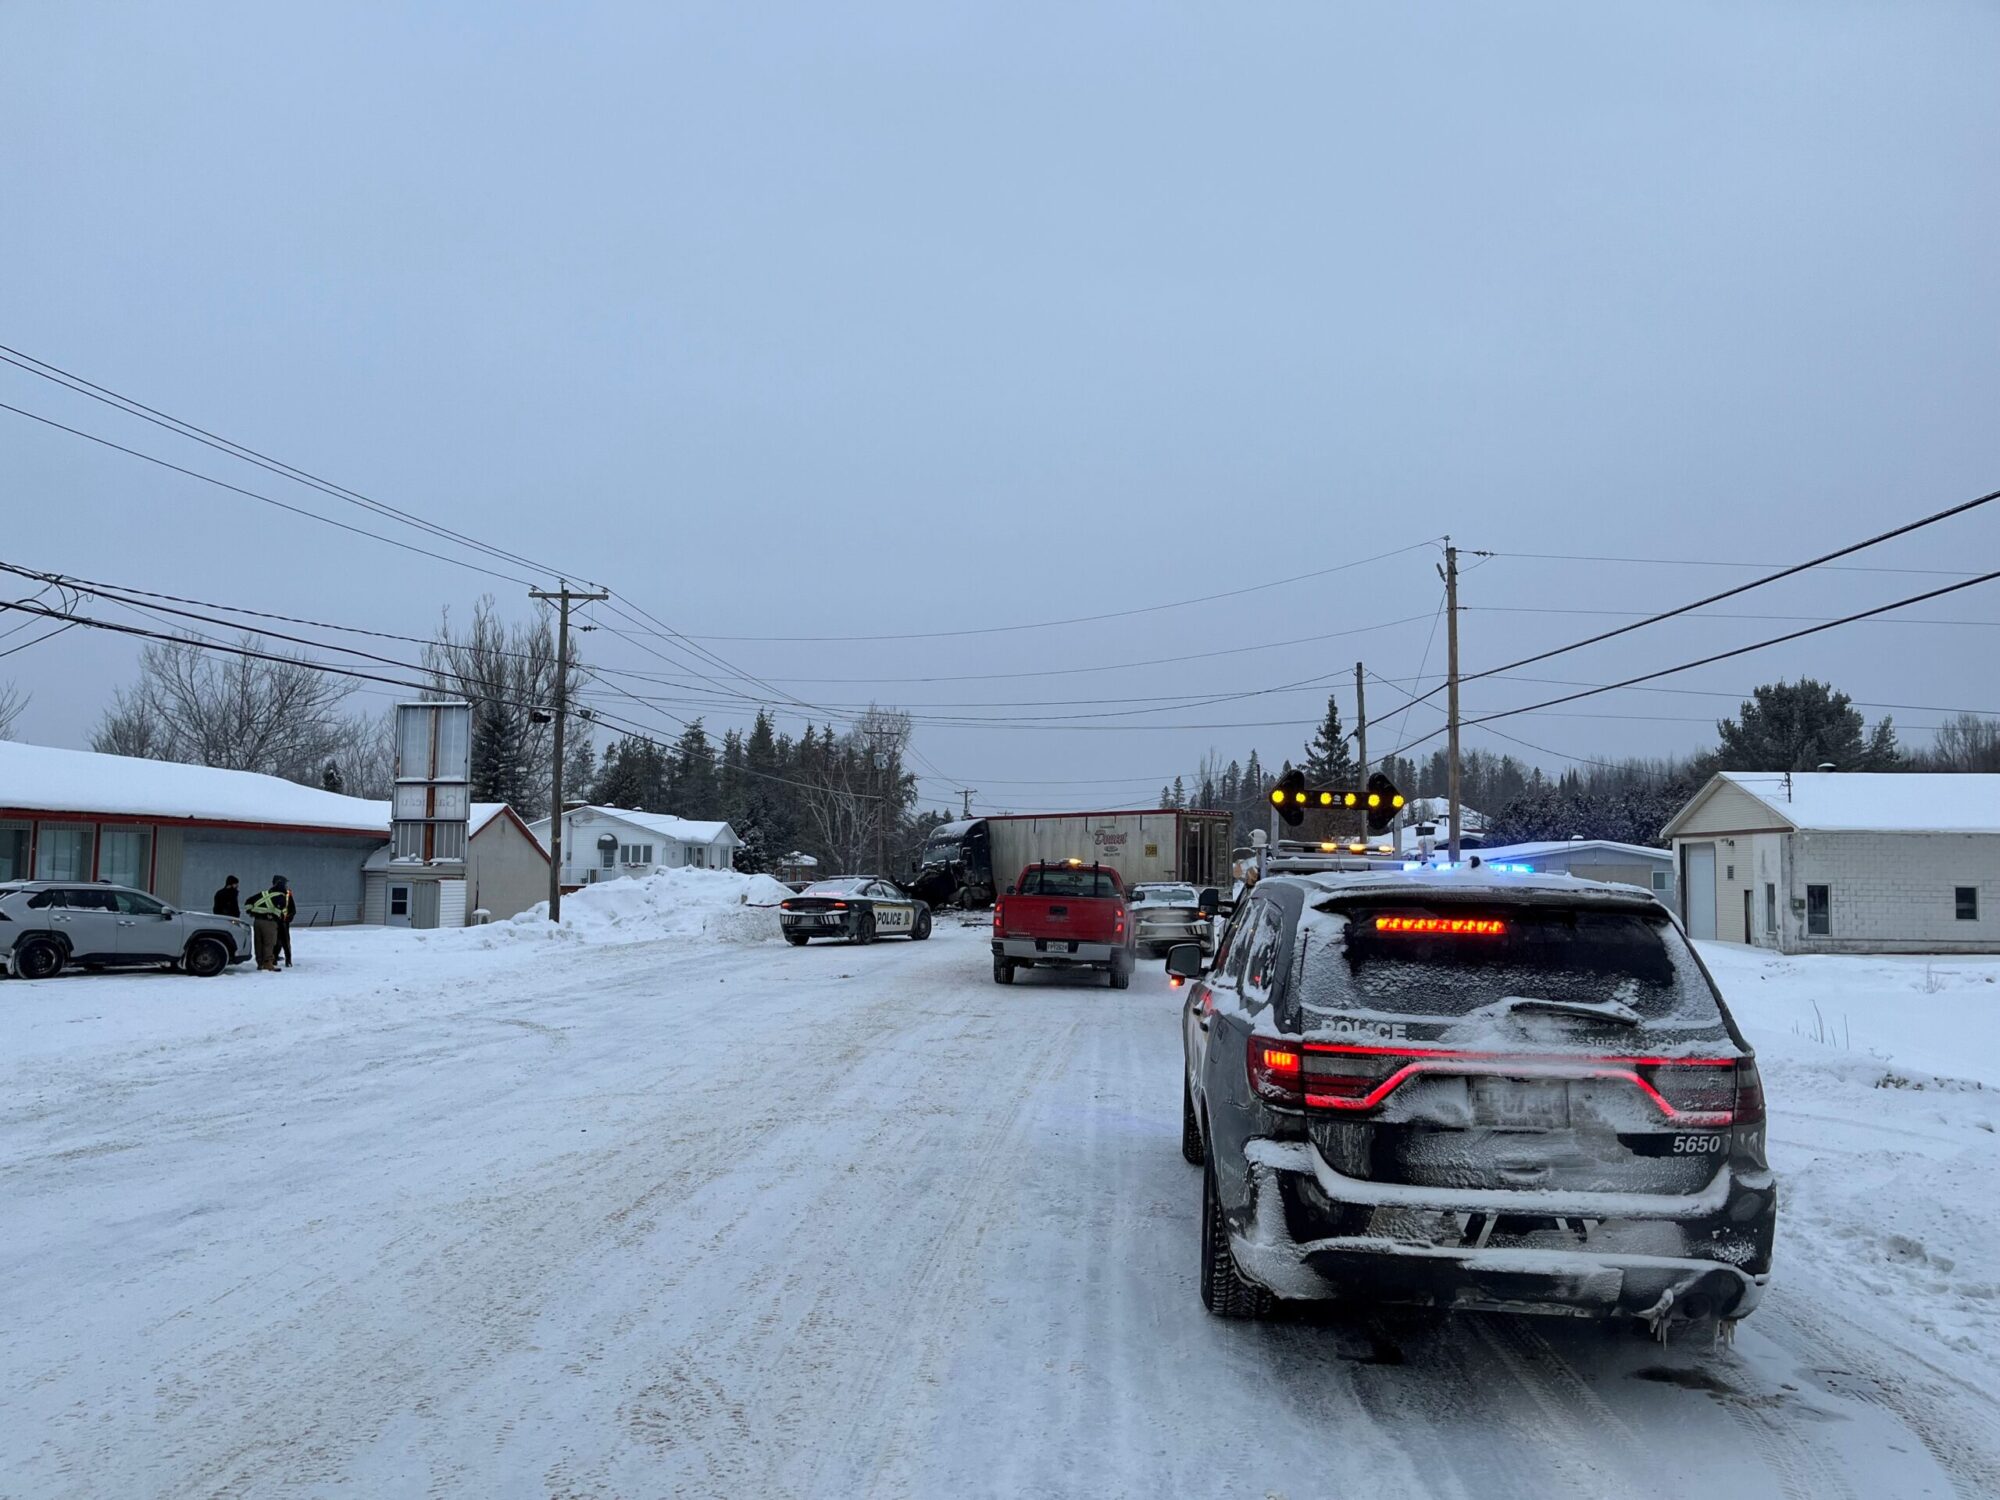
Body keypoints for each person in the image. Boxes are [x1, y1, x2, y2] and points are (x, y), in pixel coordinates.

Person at [245, 878, 288, 972]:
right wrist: (277, 917)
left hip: (257, 921)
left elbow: (248, 901)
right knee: (269, 942)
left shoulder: (263, 893)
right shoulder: (281, 896)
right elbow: (280, 908)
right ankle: (268, 963)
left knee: (258, 943)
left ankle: (260, 963)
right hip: (269, 922)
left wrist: (251, 912)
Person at [275, 877, 297, 968]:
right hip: (277, 922)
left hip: (281, 921)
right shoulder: (273, 893)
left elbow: (292, 909)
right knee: (279, 941)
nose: (286, 885)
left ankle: (286, 960)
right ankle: (277, 958)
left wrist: (287, 918)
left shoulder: (287, 893)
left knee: (282, 941)